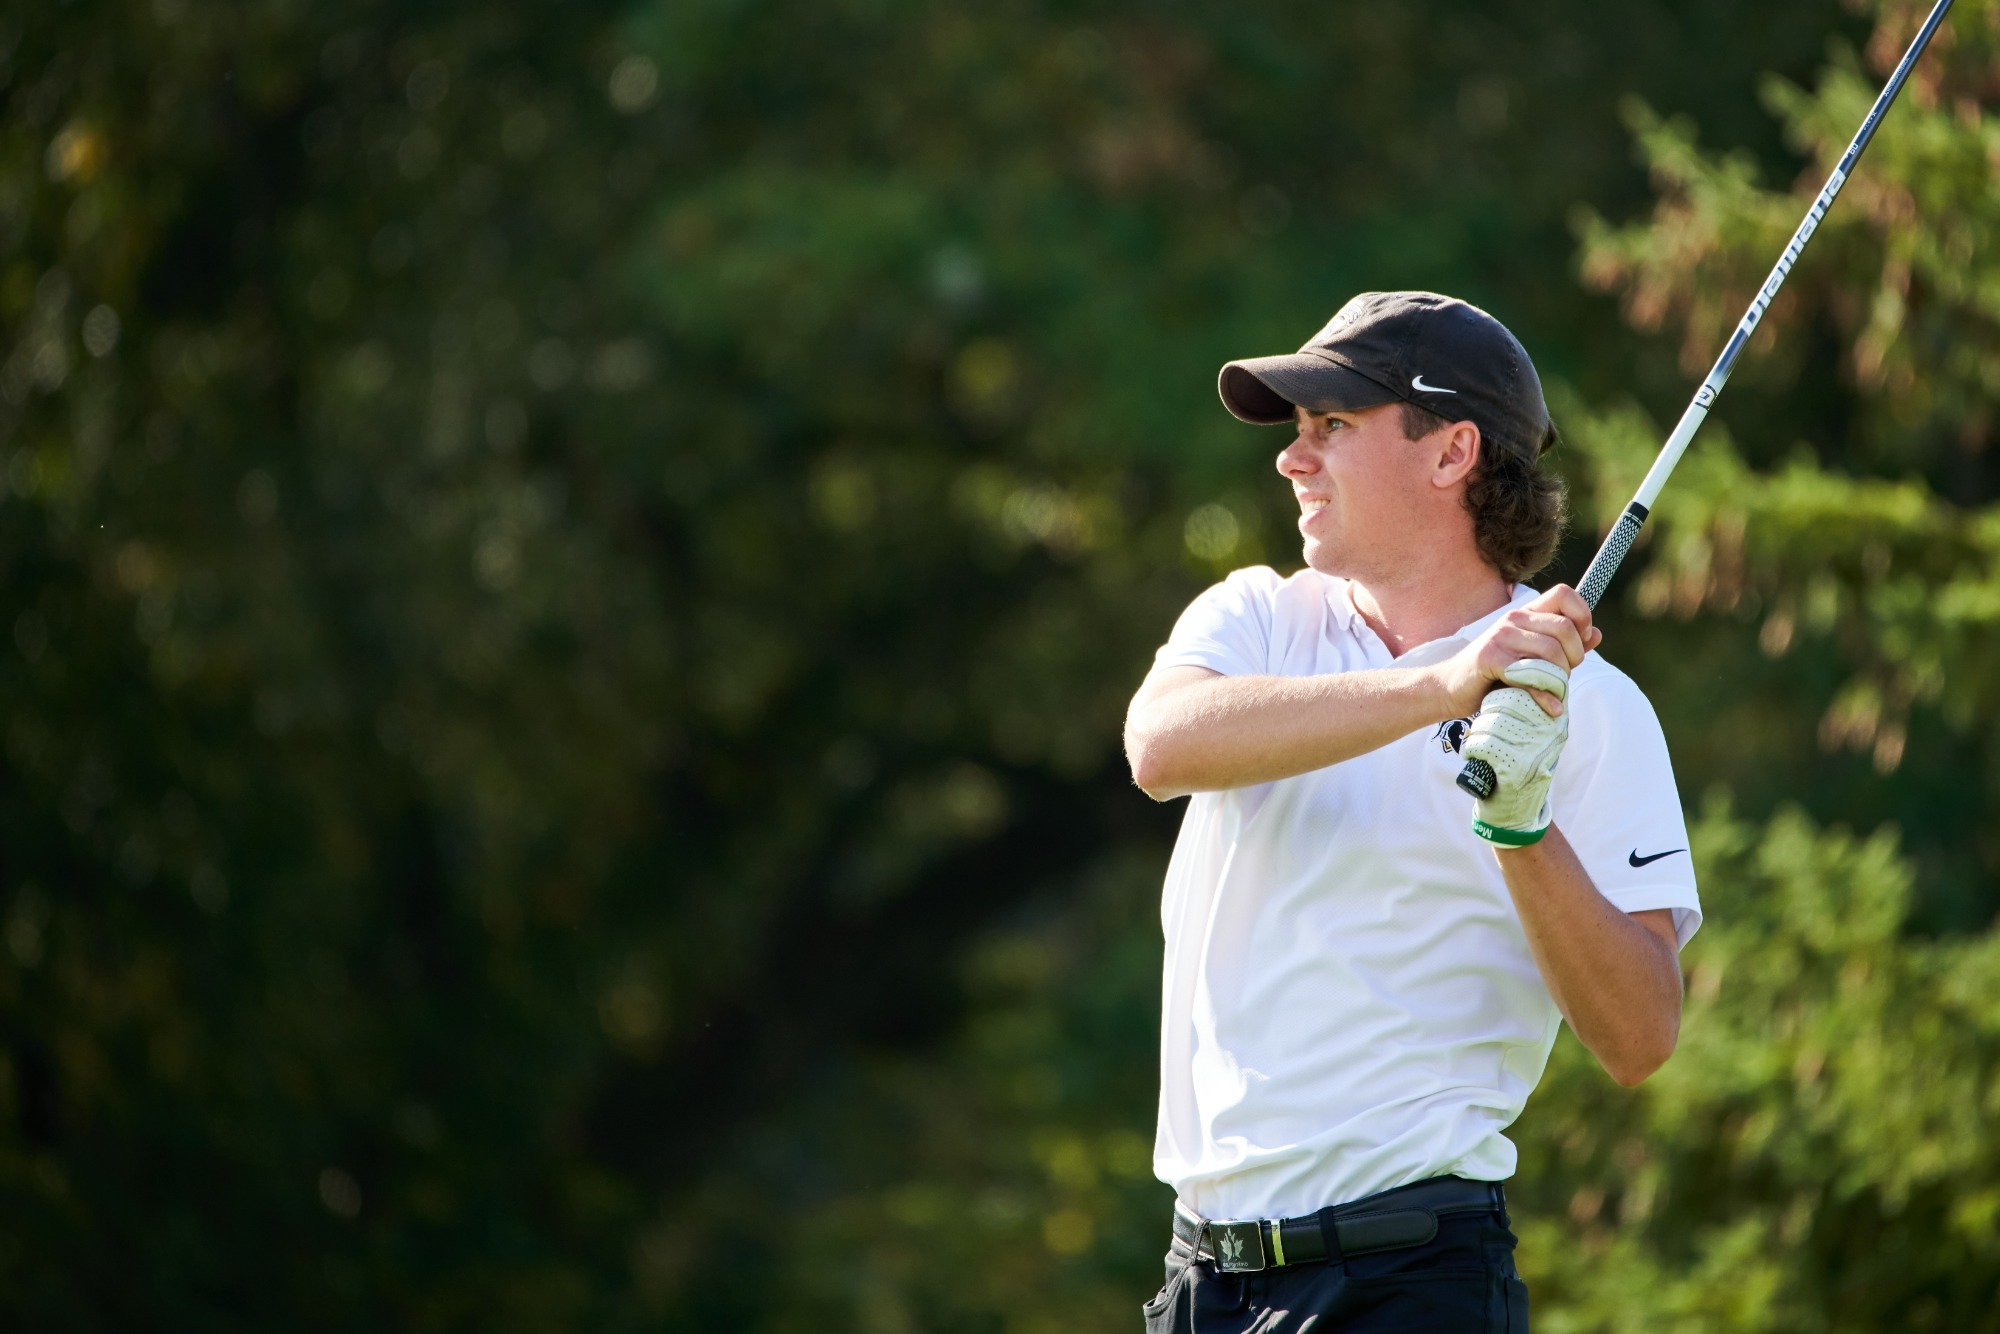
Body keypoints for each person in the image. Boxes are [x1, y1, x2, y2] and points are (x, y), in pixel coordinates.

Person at [1122, 291, 1701, 1332]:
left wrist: (1521, 827)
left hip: (1409, 1281)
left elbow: (1638, 1034)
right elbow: (1162, 747)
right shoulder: (1255, 614)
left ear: (1450, 454)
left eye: (1330, 427)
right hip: (1198, 1282)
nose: (1291, 461)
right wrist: (1440, 689)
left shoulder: (1592, 708)